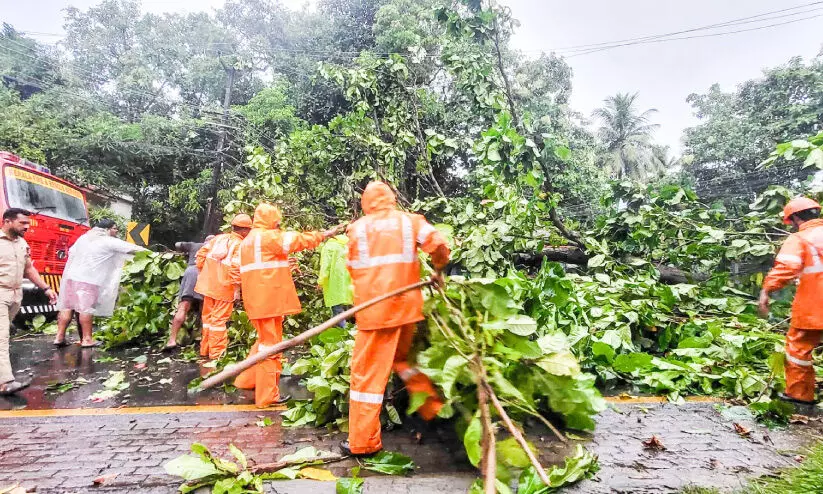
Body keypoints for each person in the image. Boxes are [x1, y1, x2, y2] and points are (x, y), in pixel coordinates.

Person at [342, 181, 450, 456]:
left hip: (376, 313)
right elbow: (439, 243)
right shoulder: (409, 222)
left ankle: (362, 443)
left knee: (366, 377)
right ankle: (434, 410)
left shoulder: (357, 229)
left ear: (365, 203)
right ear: (392, 199)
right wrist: (438, 270)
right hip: (406, 309)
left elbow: (352, 269)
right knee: (403, 361)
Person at [234, 203, 344, 408]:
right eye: (276, 221)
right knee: (270, 347)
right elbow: (297, 240)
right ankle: (267, 396)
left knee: (263, 342)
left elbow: (263, 267)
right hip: (269, 301)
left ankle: (246, 380)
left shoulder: (248, 241)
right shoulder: (267, 237)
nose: (278, 225)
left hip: (259, 301)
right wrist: (324, 234)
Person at [760, 196, 823, 405]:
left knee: (799, 347)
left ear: (795, 218)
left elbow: (787, 267)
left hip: (815, 305)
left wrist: (767, 290)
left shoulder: (800, 239)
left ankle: (800, 396)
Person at [54, 219, 144, 348]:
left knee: (67, 307)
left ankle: (59, 337)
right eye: (115, 228)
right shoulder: (107, 241)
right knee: (86, 309)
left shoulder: (83, 238)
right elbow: (134, 249)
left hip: (71, 278)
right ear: (107, 229)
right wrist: (154, 254)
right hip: (88, 280)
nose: (116, 231)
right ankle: (87, 339)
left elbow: (71, 252)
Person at [0, 208, 58, 395]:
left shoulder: (22, 243)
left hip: (15, 296)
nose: (27, 226)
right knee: (2, 337)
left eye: (28, 223)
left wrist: (46, 288)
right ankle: (5, 382)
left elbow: (29, 269)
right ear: (7, 221)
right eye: (22, 223)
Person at [195, 215, 252, 360]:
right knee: (218, 322)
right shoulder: (240, 245)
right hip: (224, 288)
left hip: (208, 286)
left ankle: (205, 350)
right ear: (244, 231)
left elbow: (200, 255)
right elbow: (236, 268)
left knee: (208, 319)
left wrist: (203, 273)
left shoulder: (218, 239)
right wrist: (237, 290)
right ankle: (217, 355)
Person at [164, 235, 214, 351]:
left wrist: (186, 252)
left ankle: (172, 340)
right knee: (204, 309)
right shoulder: (217, 248)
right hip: (205, 274)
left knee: (183, 306)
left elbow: (177, 244)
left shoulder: (194, 245)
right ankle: (204, 340)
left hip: (191, 272)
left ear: (205, 241)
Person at [318, 233, 353, 327]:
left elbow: (325, 266)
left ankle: (344, 332)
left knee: (338, 312)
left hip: (334, 283)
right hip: (349, 283)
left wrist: (320, 282)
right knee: (349, 310)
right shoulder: (347, 245)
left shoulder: (329, 246)